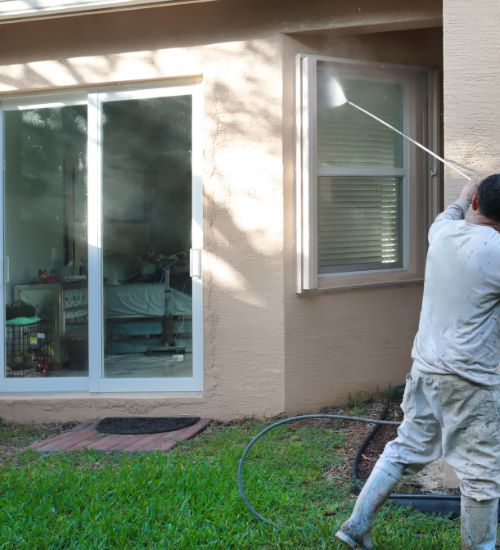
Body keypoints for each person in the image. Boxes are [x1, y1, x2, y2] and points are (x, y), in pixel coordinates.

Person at [335, 174, 500, 550]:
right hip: (470, 383)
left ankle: (356, 526)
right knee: (482, 474)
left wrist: (464, 194)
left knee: (405, 447)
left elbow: (452, 212)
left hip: (425, 371)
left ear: (476, 203)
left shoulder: (442, 233)